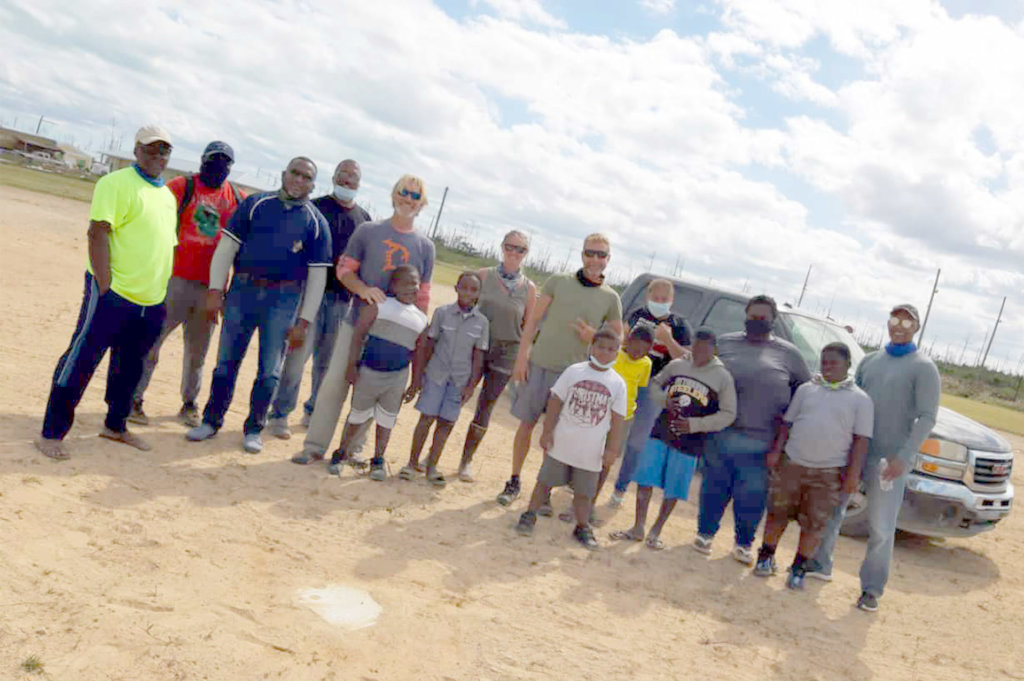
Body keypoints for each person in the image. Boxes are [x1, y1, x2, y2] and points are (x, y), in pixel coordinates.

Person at [36, 125, 177, 461]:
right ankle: (52, 432)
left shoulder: (167, 196)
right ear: (137, 150)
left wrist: (160, 294)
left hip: (150, 300)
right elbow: (97, 233)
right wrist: (104, 285)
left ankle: (115, 425)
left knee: (129, 368)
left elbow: (165, 246)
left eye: (164, 150)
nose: (158, 155)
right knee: (81, 359)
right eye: (152, 148)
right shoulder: (114, 183)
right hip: (113, 294)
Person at [185, 157, 331, 453]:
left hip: (283, 299)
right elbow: (227, 248)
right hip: (242, 291)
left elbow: (317, 277)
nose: (299, 180)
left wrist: (304, 321)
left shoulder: (316, 223)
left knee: (269, 371)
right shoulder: (255, 204)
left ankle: (254, 428)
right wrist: (216, 290)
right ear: (283, 174)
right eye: (295, 173)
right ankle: (211, 421)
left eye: (306, 177)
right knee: (226, 363)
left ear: (313, 185)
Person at [293, 175, 435, 465]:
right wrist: (364, 290)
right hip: (356, 321)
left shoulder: (425, 247)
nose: (408, 199)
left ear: (422, 203)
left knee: (374, 391)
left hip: (393, 335)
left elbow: (423, 295)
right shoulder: (369, 231)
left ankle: (352, 450)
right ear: (394, 195)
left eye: (415, 195)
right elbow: (344, 270)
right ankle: (315, 446)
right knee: (335, 384)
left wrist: (416, 336)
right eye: (404, 192)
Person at [809, 304, 939, 612]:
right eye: (895, 319)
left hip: (889, 462)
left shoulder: (924, 367)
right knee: (833, 512)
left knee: (880, 529)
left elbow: (927, 418)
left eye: (907, 321)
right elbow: (853, 398)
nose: (899, 325)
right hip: (856, 454)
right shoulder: (870, 361)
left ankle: (871, 589)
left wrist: (904, 458)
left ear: (916, 327)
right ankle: (820, 564)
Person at [497, 233, 623, 506]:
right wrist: (522, 358)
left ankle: (544, 493)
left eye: (601, 255)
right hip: (539, 365)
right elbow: (533, 320)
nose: (595, 259)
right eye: (590, 253)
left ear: (608, 259)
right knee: (526, 425)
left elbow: (617, 343)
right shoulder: (558, 281)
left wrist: (595, 335)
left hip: (573, 378)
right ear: (582, 254)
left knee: (555, 435)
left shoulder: (611, 298)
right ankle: (514, 480)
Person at [128, 141, 244, 427]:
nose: (219, 166)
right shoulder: (182, 187)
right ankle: (134, 398)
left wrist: (226, 292)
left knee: (197, 352)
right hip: (174, 280)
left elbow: (240, 247)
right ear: (203, 160)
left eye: (225, 162)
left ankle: (189, 404)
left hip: (210, 288)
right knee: (152, 342)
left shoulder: (237, 199)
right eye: (214, 160)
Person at [694, 294, 811, 565]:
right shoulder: (725, 343)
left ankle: (743, 543)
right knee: (714, 486)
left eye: (762, 318)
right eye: (752, 317)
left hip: (762, 440)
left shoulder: (789, 354)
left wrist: (786, 435)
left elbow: (804, 392)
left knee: (752, 494)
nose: (756, 322)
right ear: (745, 317)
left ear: (773, 320)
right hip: (721, 433)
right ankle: (705, 534)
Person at [754, 342, 872, 590]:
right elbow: (787, 424)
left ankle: (798, 570)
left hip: (828, 473)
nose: (828, 367)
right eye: (824, 361)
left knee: (814, 524)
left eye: (834, 362)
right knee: (777, 514)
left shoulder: (861, 400)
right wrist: (777, 451)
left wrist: (853, 475)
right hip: (793, 463)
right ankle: (765, 558)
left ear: (848, 365)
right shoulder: (807, 390)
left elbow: (861, 441)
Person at [268, 160, 370, 439]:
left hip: (342, 301)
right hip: (309, 298)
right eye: (343, 176)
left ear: (359, 184)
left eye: (354, 178)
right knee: (295, 359)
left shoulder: (364, 220)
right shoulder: (316, 208)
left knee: (327, 363)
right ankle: (278, 414)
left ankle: (312, 412)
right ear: (334, 177)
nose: (348, 182)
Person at [610, 327, 736, 549]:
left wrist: (696, 425)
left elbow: (728, 414)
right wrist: (664, 400)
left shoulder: (722, 377)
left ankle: (656, 531)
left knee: (674, 486)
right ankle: (638, 527)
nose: (698, 354)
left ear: (714, 351)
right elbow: (656, 384)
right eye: (695, 348)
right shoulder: (677, 365)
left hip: (690, 442)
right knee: (646, 477)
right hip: (661, 432)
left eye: (704, 350)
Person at [514, 329, 627, 550]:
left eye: (611, 349)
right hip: (563, 443)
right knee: (544, 482)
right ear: (591, 347)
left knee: (584, 493)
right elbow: (555, 401)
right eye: (601, 347)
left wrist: (612, 449)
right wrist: (547, 431)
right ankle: (529, 514)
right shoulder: (574, 372)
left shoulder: (617, 383)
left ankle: (582, 526)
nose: (605, 352)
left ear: (617, 353)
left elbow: (618, 420)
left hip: (591, 450)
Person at [327, 265, 428, 481]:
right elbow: (358, 335)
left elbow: (418, 353)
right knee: (357, 416)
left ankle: (378, 460)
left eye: (416, 284)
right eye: (407, 283)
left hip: (397, 377)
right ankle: (341, 453)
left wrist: (415, 382)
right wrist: (351, 365)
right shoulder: (379, 306)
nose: (413, 288)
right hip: (369, 372)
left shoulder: (420, 319)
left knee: (387, 420)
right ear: (393, 286)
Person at [456, 231, 536, 482]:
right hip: (478, 346)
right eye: (510, 247)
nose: (514, 252)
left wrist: (522, 360)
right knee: (457, 395)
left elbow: (528, 327)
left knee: (486, 405)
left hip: (506, 352)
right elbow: (464, 308)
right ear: (502, 247)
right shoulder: (483, 275)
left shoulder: (530, 288)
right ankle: (432, 454)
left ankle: (465, 461)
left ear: (526, 254)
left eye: (520, 249)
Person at [402, 271, 488, 486]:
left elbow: (479, 356)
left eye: (473, 289)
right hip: (435, 376)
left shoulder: (482, 323)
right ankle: (411, 464)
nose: (468, 293)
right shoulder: (442, 313)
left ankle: (432, 466)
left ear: (479, 294)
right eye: (464, 287)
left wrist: (471, 386)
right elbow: (429, 345)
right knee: (426, 418)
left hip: (459, 381)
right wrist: (419, 375)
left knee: (446, 423)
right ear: (456, 288)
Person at [577, 322, 653, 519]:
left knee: (607, 461)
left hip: (624, 418)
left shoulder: (646, 364)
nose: (637, 354)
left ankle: (590, 504)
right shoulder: (615, 354)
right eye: (635, 349)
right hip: (600, 411)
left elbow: (640, 386)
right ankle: (577, 502)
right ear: (627, 341)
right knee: (587, 456)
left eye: (643, 352)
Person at [627, 278, 693, 375]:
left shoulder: (679, 324)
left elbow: (688, 361)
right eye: (655, 298)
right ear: (647, 298)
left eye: (664, 299)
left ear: (672, 300)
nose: (659, 302)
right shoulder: (638, 314)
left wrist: (668, 340)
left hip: (655, 378)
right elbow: (622, 338)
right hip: (629, 370)